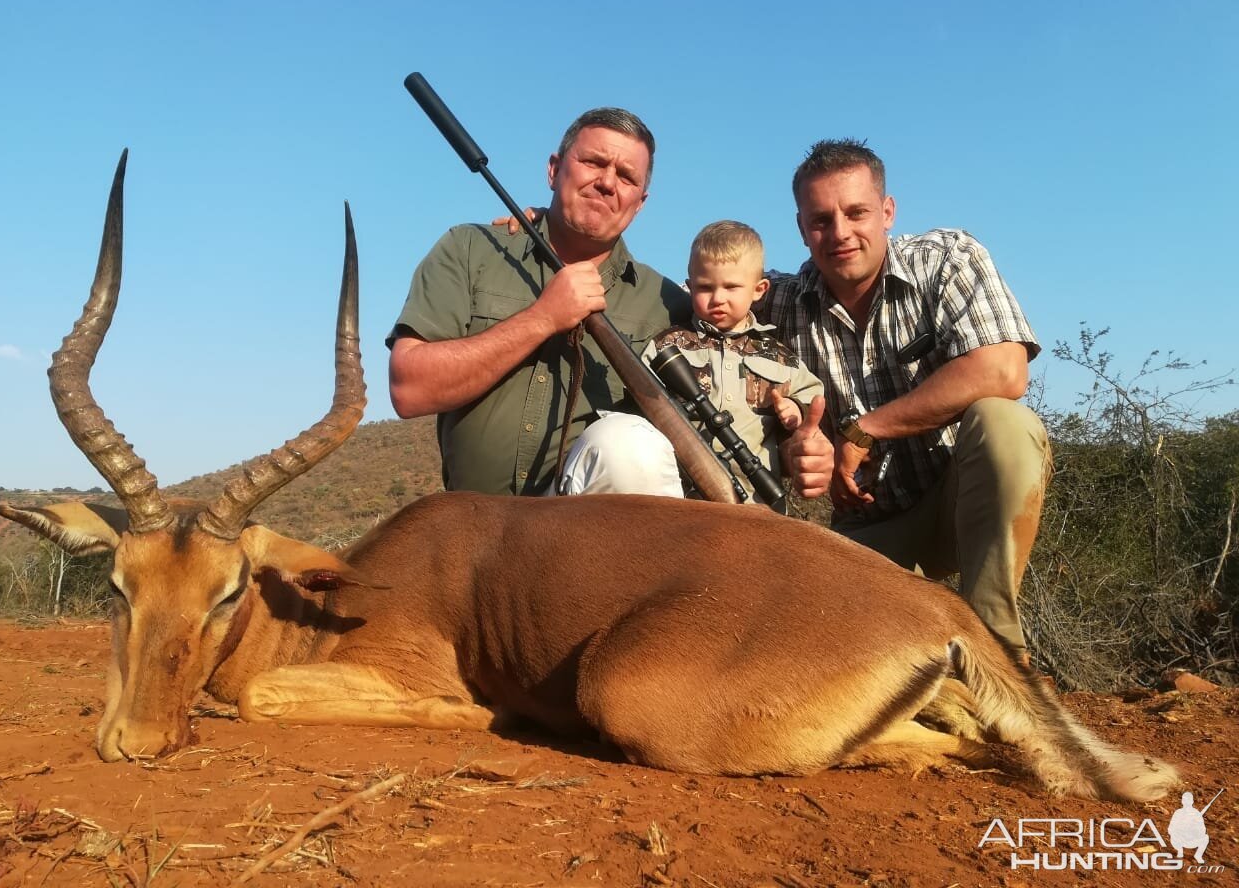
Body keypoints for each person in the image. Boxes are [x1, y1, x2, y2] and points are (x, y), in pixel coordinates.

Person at [761, 139, 1049, 659]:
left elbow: (1005, 369)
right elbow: (709, 301)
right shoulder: (775, 303)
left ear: (888, 212)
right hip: (864, 539)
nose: (840, 233)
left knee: (1004, 422)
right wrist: (794, 452)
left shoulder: (947, 259)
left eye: (857, 212)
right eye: (821, 220)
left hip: (958, 507)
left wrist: (864, 429)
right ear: (802, 229)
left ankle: (995, 651)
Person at [388, 107, 696, 497]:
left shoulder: (669, 301)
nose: (606, 183)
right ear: (554, 170)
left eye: (626, 177)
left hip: (586, 536)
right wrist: (542, 318)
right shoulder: (470, 248)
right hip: (471, 528)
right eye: (593, 162)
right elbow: (409, 390)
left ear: (640, 202)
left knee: (630, 446)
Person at [641, 220, 823, 504]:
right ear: (689, 287)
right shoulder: (665, 346)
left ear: (759, 289)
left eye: (731, 287)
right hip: (678, 500)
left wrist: (796, 410)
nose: (718, 299)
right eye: (705, 287)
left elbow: (813, 396)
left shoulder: (779, 355)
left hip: (756, 501)